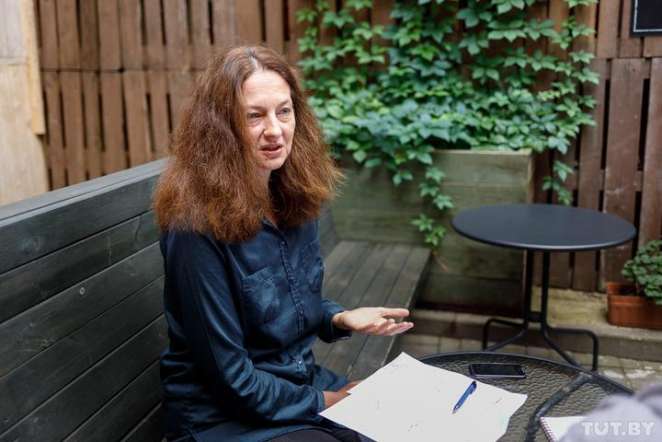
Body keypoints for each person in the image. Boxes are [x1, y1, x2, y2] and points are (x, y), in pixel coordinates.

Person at [153, 46, 414, 442]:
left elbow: (282, 301)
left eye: (284, 111)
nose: (274, 130)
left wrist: (338, 318)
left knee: (401, 419)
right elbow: (231, 379)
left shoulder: (292, 197)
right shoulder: (195, 228)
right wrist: (331, 401)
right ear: (221, 127)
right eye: (254, 116)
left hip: (293, 384)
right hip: (220, 419)